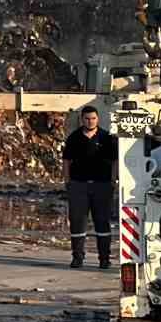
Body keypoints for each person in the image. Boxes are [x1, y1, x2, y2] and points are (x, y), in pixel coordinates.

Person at [62, 105, 115, 268]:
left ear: (98, 119)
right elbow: (66, 161)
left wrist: (113, 180)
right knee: (77, 222)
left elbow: (115, 161)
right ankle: (77, 257)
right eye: (87, 118)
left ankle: (104, 259)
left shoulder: (106, 138)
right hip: (79, 185)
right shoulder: (74, 138)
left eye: (93, 118)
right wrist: (68, 181)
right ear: (81, 120)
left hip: (102, 185)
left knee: (102, 222)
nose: (90, 121)